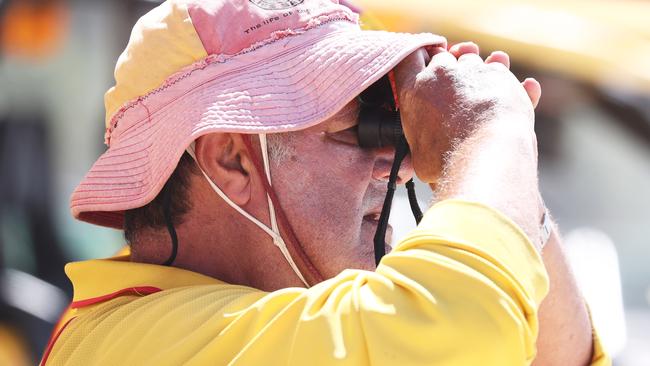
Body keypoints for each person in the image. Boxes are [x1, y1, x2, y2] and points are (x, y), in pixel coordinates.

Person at [41, 0, 609, 365]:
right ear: (233, 161)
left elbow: (553, 356)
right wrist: (487, 134)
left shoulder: (268, 326)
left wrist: (505, 176)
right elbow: (460, 325)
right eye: (358, 130)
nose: (402, 164)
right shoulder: (135, 348)